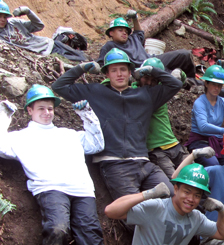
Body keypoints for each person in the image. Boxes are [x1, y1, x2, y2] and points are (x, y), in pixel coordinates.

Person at [0, 85, 112, 245]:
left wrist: (87, 114)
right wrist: (4, 114)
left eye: (50, 108)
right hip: (49, 189)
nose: (47, 112)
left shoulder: (69, 134)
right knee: (57, 230)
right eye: (41, 108)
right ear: (30, 111)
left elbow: (96, 144)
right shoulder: (21, 138)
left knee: (90, 234)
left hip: (82, 189)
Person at [51, 48, 182, 210]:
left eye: (123, 69)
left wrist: (152, 70)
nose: (119, 74)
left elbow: (175, 84)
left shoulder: (145, 95)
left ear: (130, 72)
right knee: (132, 211)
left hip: (144, 163)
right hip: (115, 164)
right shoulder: (95, 92)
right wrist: (83, 67)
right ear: (107, 74)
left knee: (171, 196)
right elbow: (59, 86)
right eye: (114, 70)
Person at [0, 0, 88, 61]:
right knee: (78, 63)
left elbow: (39, 26)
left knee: (83, 58)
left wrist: (28, 12)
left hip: (50, 45)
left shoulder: (14, 23)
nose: (3, 19)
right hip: (44, 55)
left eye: (4, 16)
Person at [97, 12, 196, 79]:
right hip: (141, 68)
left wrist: (135, 18)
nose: (124, 33)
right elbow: (102, 64)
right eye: (120, 30)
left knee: (185, 54)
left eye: (126, 31)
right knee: (169, 74)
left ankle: (190, 80)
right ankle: (186, 83)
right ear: (111, 33)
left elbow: (139, 32)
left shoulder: (133, 38)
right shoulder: (110, 46)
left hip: (153, 59)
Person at [137, 57, 190, 177]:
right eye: (146, 78)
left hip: (175, 145)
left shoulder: (162, 91)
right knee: (175, 181)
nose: (149, 83)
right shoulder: (134, 93)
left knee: (195, 175)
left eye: (154, 80)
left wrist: (178, 73)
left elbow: (180, 80)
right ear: (139, 76)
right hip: (157, 151)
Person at [184, 65, 224, 167]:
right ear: (206, 83)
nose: (217, 88)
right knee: (213, 164)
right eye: (214, 84)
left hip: (218, 142)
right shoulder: (200, 103)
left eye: (219, 85)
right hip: (199, 141)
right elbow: (203, 127)